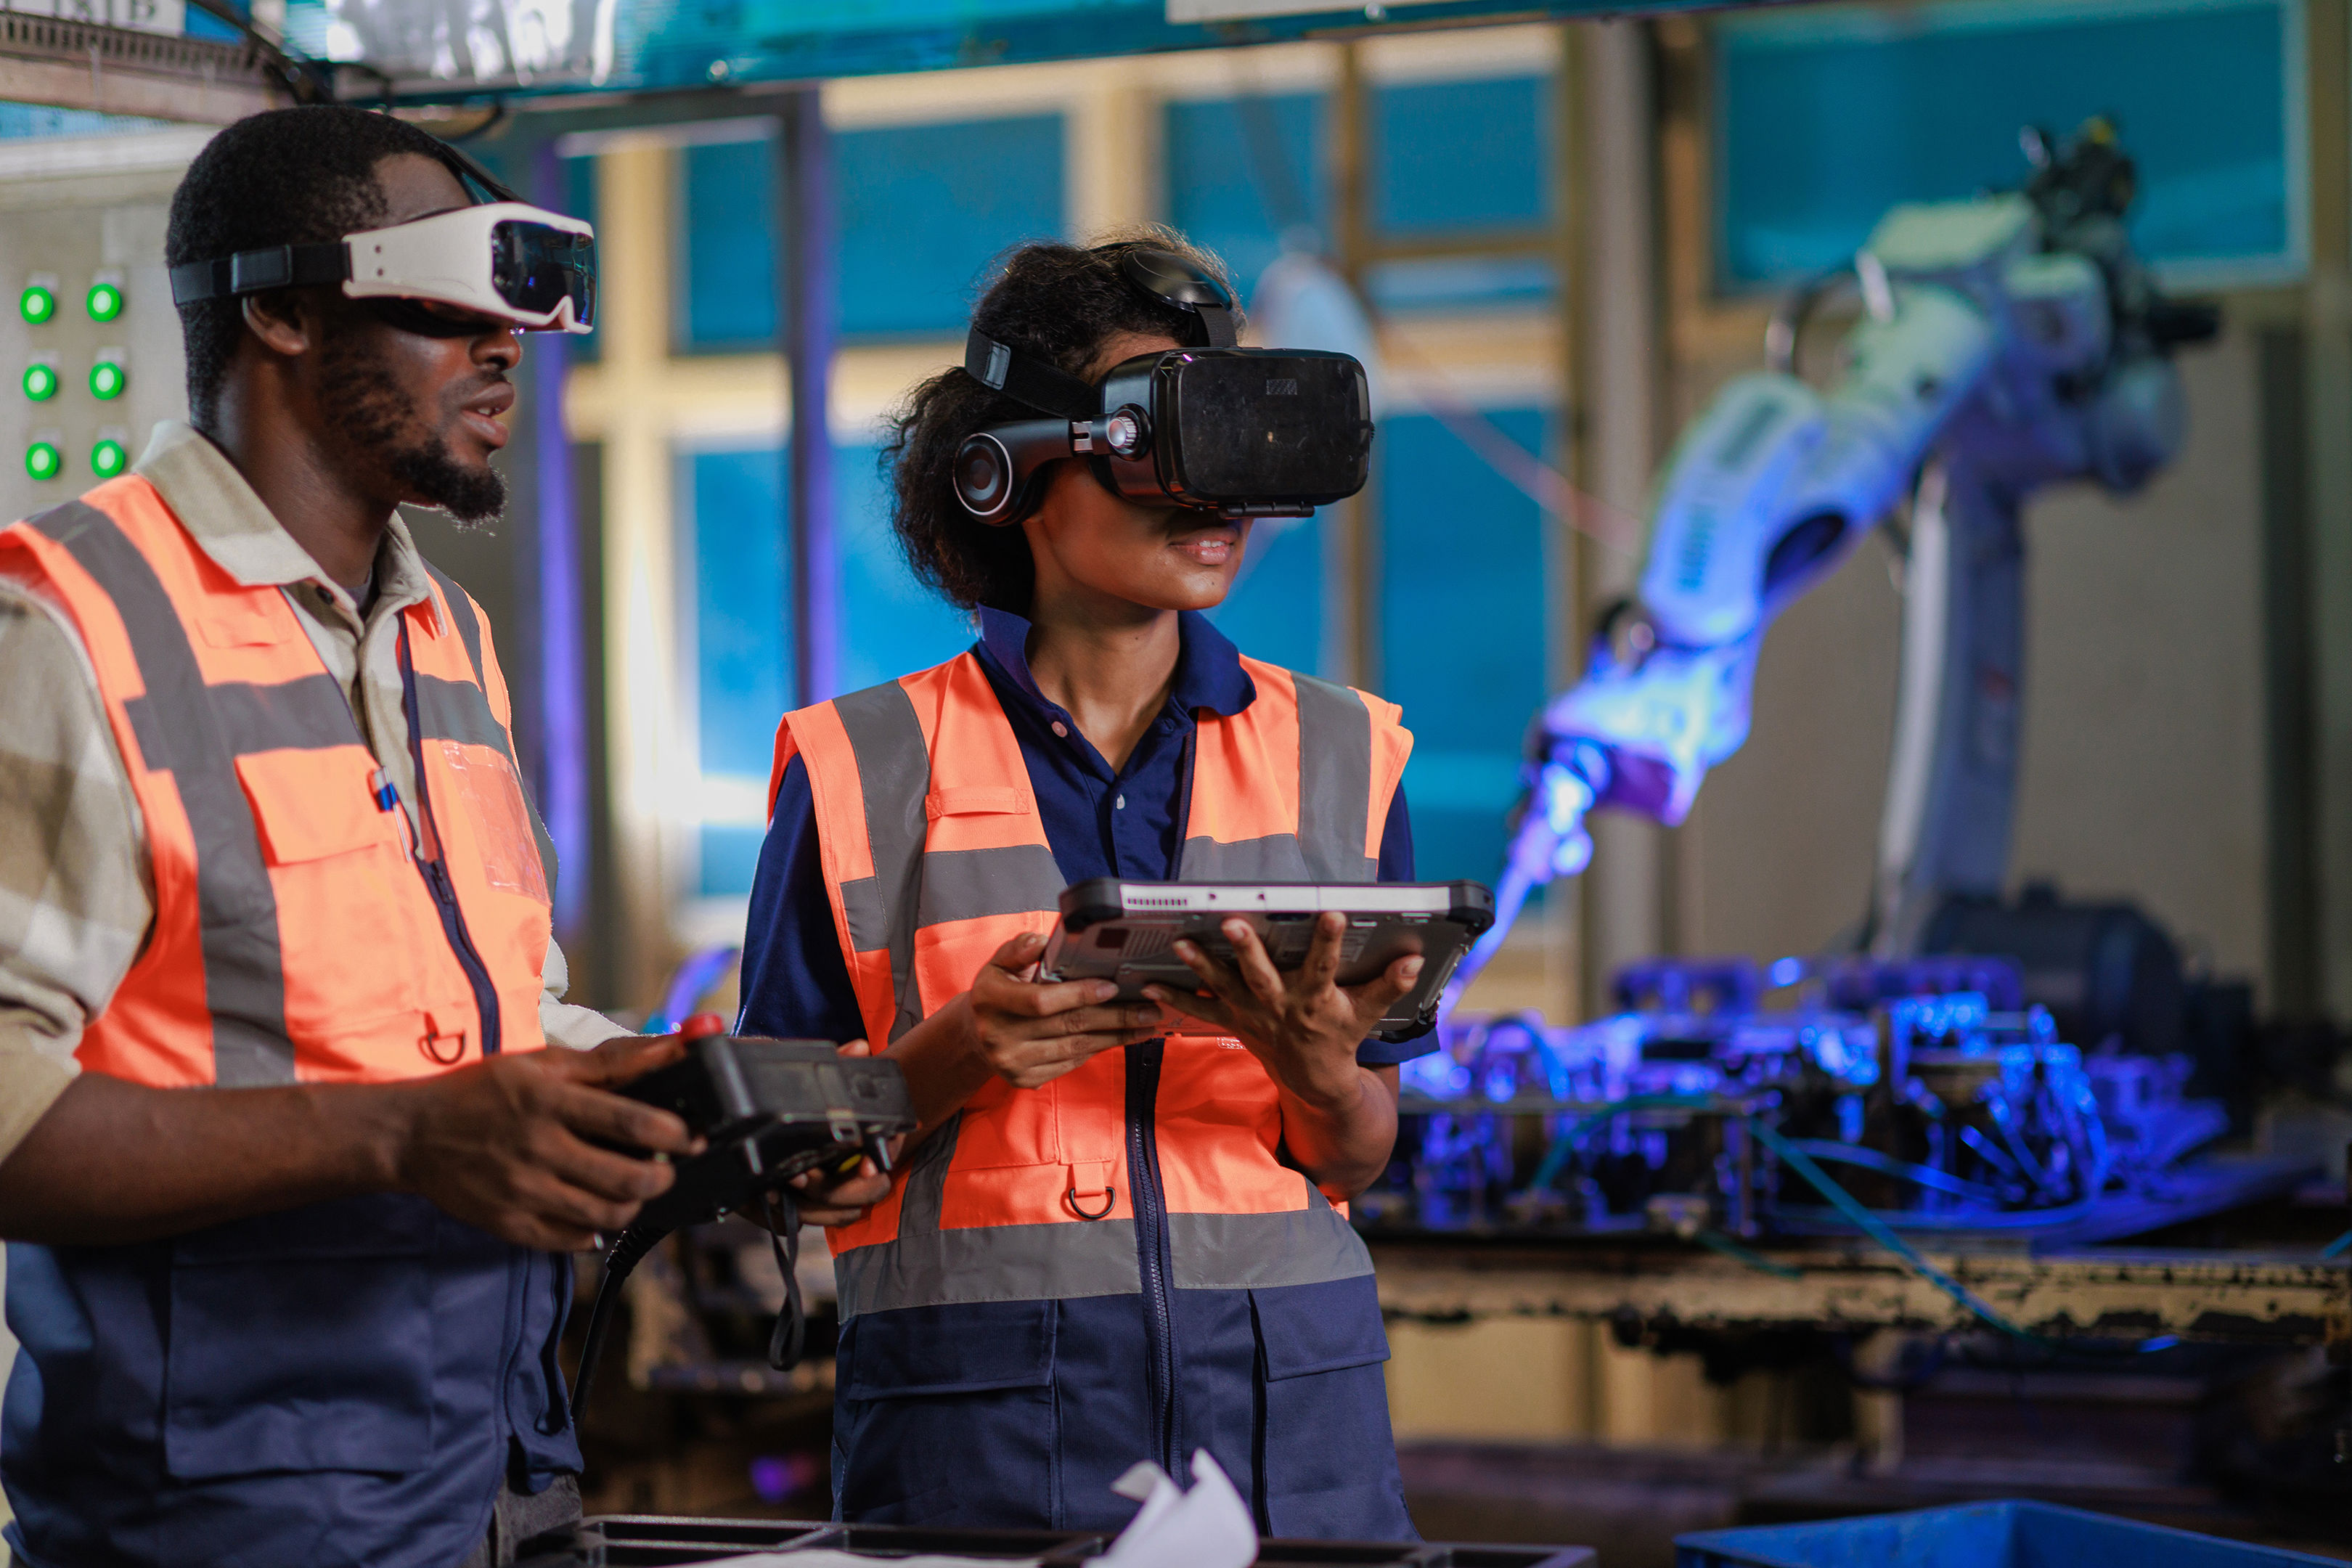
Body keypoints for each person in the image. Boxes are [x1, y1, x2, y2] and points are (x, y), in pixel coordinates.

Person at [0, 105, 883, 1568]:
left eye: (524, 311)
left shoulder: (443, 637)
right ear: (280, 305)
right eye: (458, 293)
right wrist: (404, 1136)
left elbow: (481, 1026)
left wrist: (687, 1108)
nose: (506, 347)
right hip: (221, 1521)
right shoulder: (69, 627)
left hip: (497, 1482)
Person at [736, 232, 1429, 1540]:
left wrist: (1321, 1072)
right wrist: (952, 1055)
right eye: (1162, 441)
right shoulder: (857, 770)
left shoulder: (1346, 753)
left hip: (1293, 1442)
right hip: (982, 1449)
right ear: (1007, 471)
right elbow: (781, 1180)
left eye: (1236, 448)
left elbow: (1355, 1152)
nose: (1215, 496)